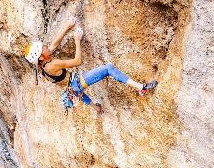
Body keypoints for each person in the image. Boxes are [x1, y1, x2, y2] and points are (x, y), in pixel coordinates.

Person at [24, 18, 157, 113]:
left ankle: (96, 108)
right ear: (41, 56)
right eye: (43, 48)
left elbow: (54, 45)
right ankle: (141, 87)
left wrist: (67, 27)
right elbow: (77, 61)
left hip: (71, 88)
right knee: (108, 68)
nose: (46, 46)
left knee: (80, 93)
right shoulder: (53, 64)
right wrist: (77, 41)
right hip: (77, 82)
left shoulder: (41, 65)